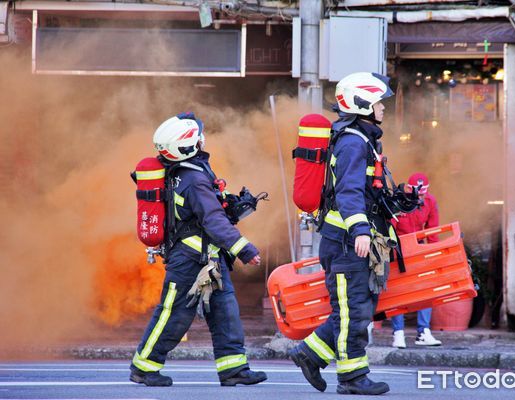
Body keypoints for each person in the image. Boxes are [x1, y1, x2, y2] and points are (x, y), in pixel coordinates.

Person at [129, 113, 267, 387]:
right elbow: (211, 219)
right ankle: (143, 367)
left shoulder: (186, 173)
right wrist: (245, 249)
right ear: (189, 145)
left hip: (208, 258)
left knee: (225, 311)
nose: (203, 138)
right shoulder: (193, 179)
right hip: (190, 261)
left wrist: (230, 203)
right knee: (174, 314)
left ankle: (234, 369)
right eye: (198, 136)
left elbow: (206, 210)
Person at [289, 72, 397, 396]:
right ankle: (351, 378)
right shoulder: (353, 142)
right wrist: (362, 230)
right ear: (363, 104)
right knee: (352, 313)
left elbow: (363, 191)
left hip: (348, 241)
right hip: (347, 244)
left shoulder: (362, 139)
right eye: (378, 102)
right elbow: (349, 193)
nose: (382, 108)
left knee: (357, 309)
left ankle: (310, 354)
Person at [390, 172, 442, 348]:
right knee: (399, 292)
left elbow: (432, 230)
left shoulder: (430, 201)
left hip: (419, 248)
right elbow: (391, 228)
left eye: (422, 194)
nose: (419, 198)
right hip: (400, 249)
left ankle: (424, 332)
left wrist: (434, 254)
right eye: (417, 194)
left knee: (425, 289)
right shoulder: (399, 201)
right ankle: (398, 333)